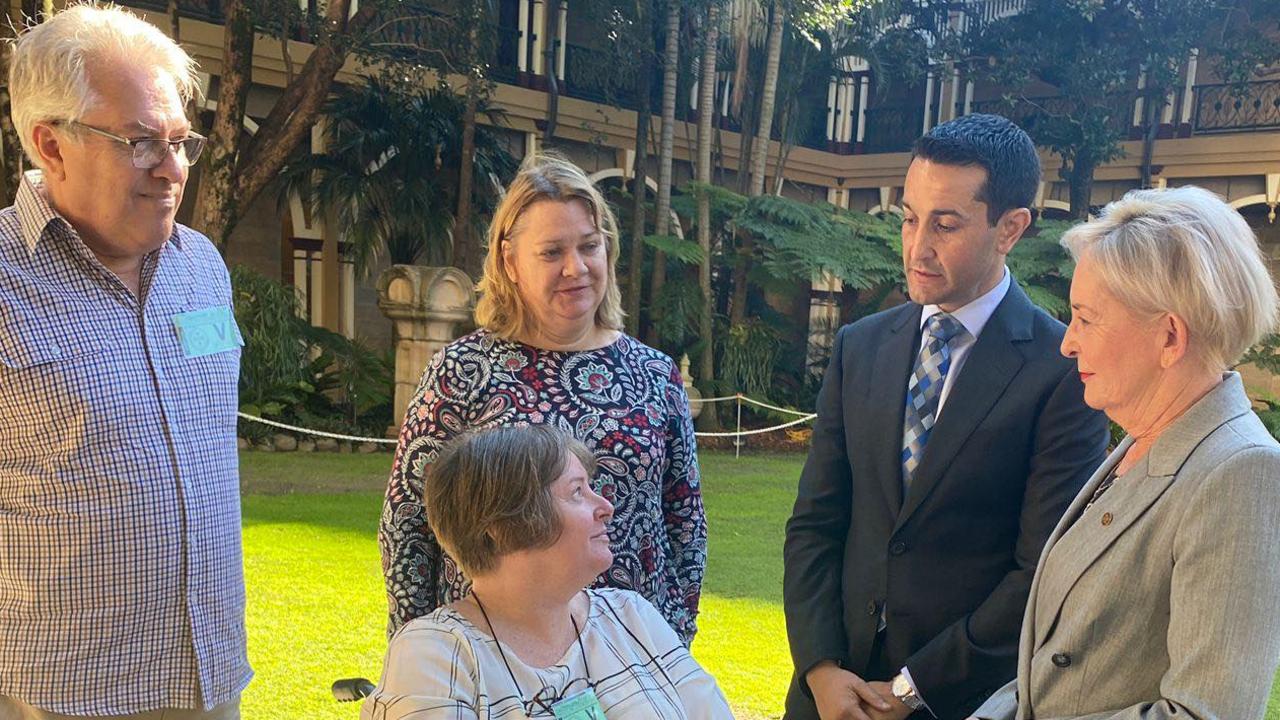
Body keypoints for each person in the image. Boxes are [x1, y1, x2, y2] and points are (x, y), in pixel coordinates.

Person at [783, 114, 1110, 720]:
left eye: (945, 224)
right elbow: (815, 524)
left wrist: (913, 690)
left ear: (1010, 228)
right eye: (909, 218)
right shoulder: (860, 346)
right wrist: (822, 669)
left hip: (959, 701)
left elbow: (1039, 571)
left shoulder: (1064, 370)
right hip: (828, 697)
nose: (916, 246)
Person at [0, 4, 248, 720]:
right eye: (141, 142)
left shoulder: (200, 266)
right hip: (59, 696)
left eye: (180, 141)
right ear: (52, 145)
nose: (173, 169)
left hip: (208, 680)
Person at [969, 186, 1280, 720]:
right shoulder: (1144, 439)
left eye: (1087, 318)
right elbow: (1047, 670)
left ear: (1169, 337)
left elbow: (1206, 714)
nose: (1067, 342)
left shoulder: (1242, 471)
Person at [380, 152, 706, 644]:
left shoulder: (655, 374)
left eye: (589, 246)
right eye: (552, 252)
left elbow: (685, 521)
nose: (576, 268)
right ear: (510, 261)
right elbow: (408, 522)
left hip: (630, 658)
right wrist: (420, 652)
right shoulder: (462, 372)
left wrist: (673, 641)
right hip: (492, 658)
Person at [363, 425, 732, 720]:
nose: (605, 506)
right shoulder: (438, 654)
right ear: (504, 527)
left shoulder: (630, 617)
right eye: (576, 492)